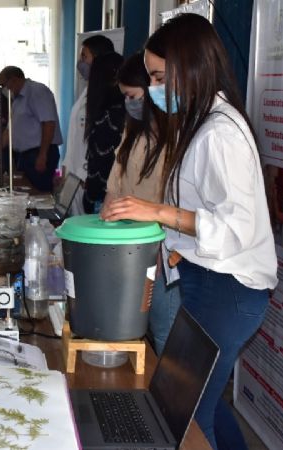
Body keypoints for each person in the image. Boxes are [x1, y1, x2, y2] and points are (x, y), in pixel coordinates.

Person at [101, 14, 278, 450]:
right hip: (205, 280)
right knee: (198, 403)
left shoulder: (220, 133)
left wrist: (159, 212)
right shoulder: (199, 125)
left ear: (190, 67)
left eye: (160, 76)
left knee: (189, 414)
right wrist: (177, 245)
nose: (155, 88)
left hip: (229, 289)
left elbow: (237, 227)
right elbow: (203, 212)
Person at [98, 52, 177, 355]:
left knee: (164, 333)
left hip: (162, 255)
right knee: (133, 332)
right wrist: (105, 223)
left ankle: (166, 402)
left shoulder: (177, 138)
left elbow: (175, 205)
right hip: (128, 251)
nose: (129, 103)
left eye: (132, 95)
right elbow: (115, 183)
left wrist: (159, 254)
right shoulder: (135, 129)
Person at [63, 35, 115, 214]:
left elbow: (100, 143)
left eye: (84, 56)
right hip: (75, 177)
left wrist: (88, 176)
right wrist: (66, 168)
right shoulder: (87, 90)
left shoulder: (106, 96)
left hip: (87, 179)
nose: (80, 62)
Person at [0, 66, 62, 192]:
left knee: (40, 195)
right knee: (28, 194)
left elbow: (48, 123)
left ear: (14, 80)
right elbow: (10, 131)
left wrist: (43, 155)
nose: (3, 89)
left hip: (39, 153)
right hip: (25, 156)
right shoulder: (17, 99)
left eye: (3, 85)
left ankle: (44, 213)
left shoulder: (37, 91)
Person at [82, 51, 125, 213]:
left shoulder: (110, 117)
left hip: (105, 201)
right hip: (106, 197)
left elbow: (103, 164)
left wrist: (90, 197)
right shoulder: (113, 112)